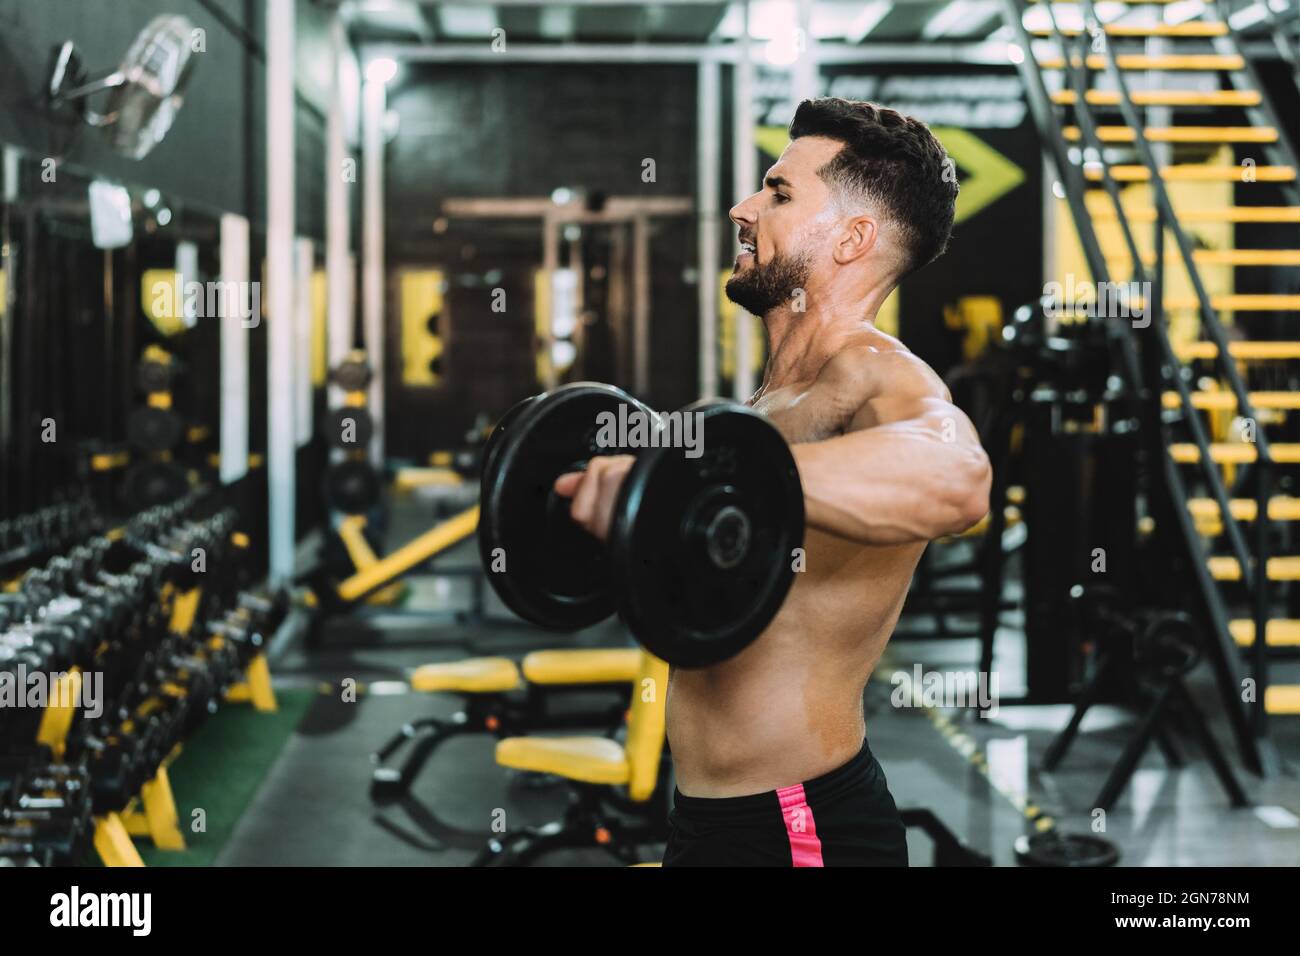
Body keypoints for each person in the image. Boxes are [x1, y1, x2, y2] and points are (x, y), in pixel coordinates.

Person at [554, 98, 992, 866]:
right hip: (703, 817)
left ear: (854, 239)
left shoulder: (874, 372)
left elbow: (957, 479)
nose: (742, 207)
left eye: (779, 193)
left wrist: (718, 477)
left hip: (798, 827)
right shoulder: (766, 400)